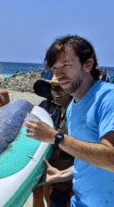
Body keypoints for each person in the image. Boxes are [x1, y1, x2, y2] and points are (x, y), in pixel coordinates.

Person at [25, 35, 114, 206]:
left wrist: (56, 137)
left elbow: (113, 159)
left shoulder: (110, 98)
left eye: (66, 65)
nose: (59, 74)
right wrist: (64, 174)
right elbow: (87, 158)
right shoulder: (73, 106)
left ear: (87, 65)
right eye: (55, 68)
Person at [32, 75, 74, 207]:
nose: (56, 91)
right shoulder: (46, 107)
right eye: (54, 87)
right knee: (41, 194)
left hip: (67, 175)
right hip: (48, 164)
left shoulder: (76, 114)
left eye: (60, 87)